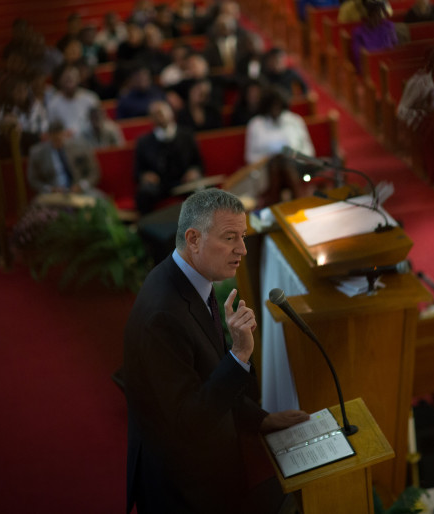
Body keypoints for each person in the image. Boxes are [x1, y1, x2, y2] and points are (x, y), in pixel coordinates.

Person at [124, 188, 309, 513]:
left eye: (243, 236)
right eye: (229, 238)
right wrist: (238, 356)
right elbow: (190, 421)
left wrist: (262, 420)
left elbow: (207, 374)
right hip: (184, 489)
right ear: (194, 239)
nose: (242, 249)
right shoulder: (163, 316)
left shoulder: (189, 280)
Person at [134, 101, 204, 214]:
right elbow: (138, 172)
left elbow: (198, 163)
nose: (159, 116)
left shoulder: (187, 135)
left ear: (171, 113)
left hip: (184, 181)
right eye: (154, 114)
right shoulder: (144, 142)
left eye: (161, 112)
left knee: (200, 188)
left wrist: (194, 171)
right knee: (144, 193)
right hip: (158, 185)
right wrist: (145, 176)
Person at [27, 120, 101, 195]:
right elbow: (33, 180)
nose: (58, 142)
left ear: (65, 134)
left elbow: (94, 172)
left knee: (99, 199)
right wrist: (49, 189)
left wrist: (81, 186)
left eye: (60, 138)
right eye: (54, 140)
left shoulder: (79, 147)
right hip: (52, 195)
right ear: (48, 136)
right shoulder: (38, 153)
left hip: (79, 191)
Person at [245, 86, 315, 164]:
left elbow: (309, 150)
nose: (275, 109)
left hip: (295, 168)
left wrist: (294, 160)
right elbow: (250, 157)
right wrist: (270, 160)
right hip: (266, 170)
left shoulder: (294, 120)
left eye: (278, 105)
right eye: (272, 106)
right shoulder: (256, 124)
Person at [46, 65, 101, 136]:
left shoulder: (91, 98)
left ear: (79, 79)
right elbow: (52, 129)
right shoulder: (53, 104)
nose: (69, 79)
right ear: (60, 80)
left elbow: (99, 121)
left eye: (72, 77)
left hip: (89, 139)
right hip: (66, 142)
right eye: (66, 78)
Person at [350, 0, 398, 73]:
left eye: (379, 15)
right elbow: (358, 58)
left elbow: (395, 48)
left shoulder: (388, 27)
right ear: (367, 16)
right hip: (369, 70)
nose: (376, 19)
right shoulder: (358, 33)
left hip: (388, 67)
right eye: (373, 15)